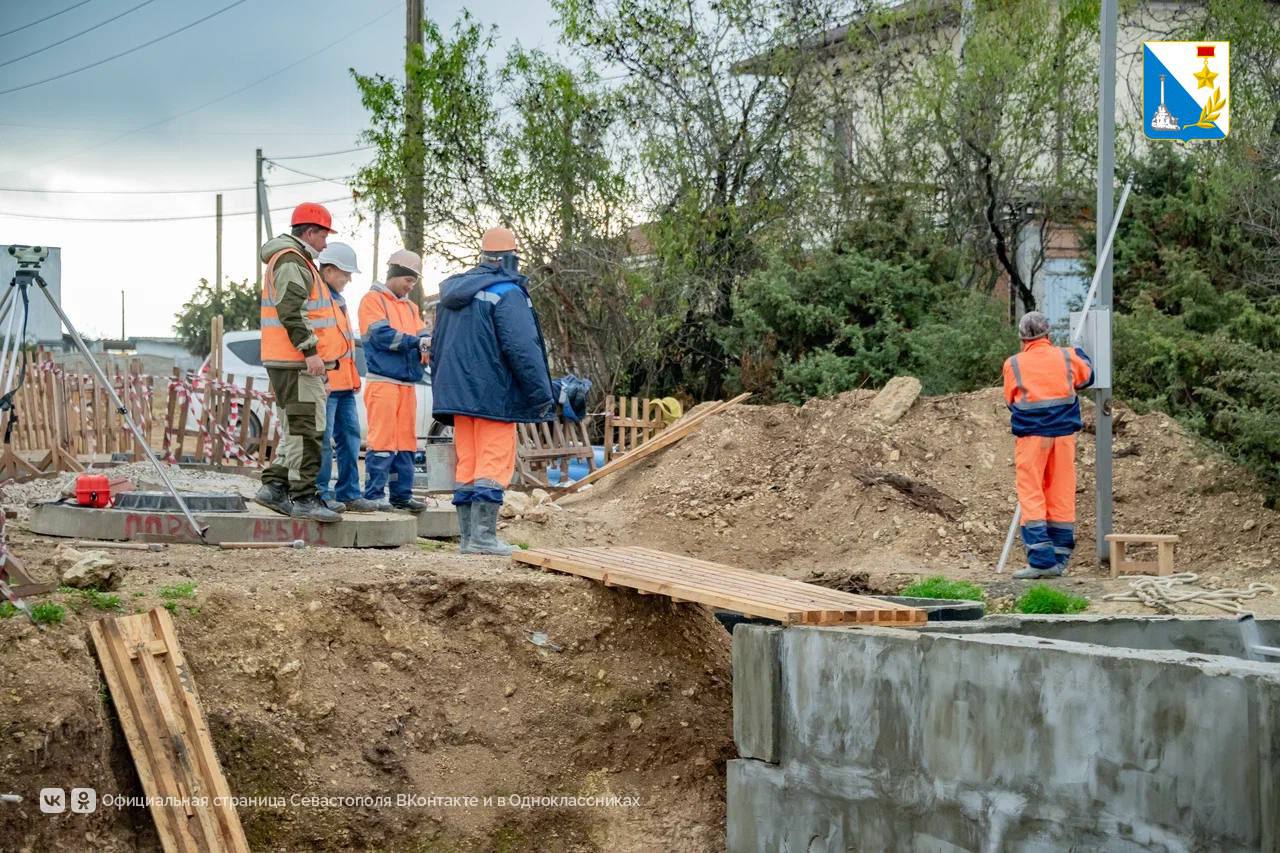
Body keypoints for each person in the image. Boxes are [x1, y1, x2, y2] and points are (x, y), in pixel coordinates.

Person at [431, 227, 555, 555]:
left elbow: (438, 346)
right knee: (493, 461)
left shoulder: (451, 296)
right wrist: (542, 394)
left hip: (458, 397)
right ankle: (484, 539)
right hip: (493, 395)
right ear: (508, 258)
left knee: (468, 463)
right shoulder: (507, 292)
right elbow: (523, 349)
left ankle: (470, 538)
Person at [255, 202, 346, 522]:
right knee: (307, 430)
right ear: (309, 232)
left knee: (298, 429)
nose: (325, 243)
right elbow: (291, 310)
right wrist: (310, 351)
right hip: (295, 361)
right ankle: (304, 498)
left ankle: (275, 487)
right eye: (323, 236)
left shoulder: (297, 260)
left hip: (290, 360)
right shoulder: (293, 261)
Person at [1003, 311, 1094, 579]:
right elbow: (1087, 377)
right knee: (1061, 493)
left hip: (1032, 438)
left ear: (1022, 337)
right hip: (1064, 437)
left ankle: (1041, 561)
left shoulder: (1014, 364)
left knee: (1032, 495)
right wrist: (1079, 353)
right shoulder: (1068, 356)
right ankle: (1060, 559)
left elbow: (1011, 399)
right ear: (1048, 334)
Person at [356, 249, 430, 513]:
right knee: (383, 440)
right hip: (383, 382)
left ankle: (401, 495)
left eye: (414, 282)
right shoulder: (372, 300)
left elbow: (422, 334)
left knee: (406, 442)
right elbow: (381, 336)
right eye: (408, 280)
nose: (410, 286)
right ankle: (375, 494)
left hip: (407, 384)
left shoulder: (410, 307)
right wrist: (416, 342)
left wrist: (428, 342)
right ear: (395, 275)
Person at [313, 242, 379, 513]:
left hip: (343, 383)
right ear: (329, 270)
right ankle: (321, 493)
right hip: (326, 382)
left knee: (350, 439)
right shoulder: (315, 294)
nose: (349, 279)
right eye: (346, 273)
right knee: (323, 441)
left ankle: (349, 492)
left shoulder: (336, 299)